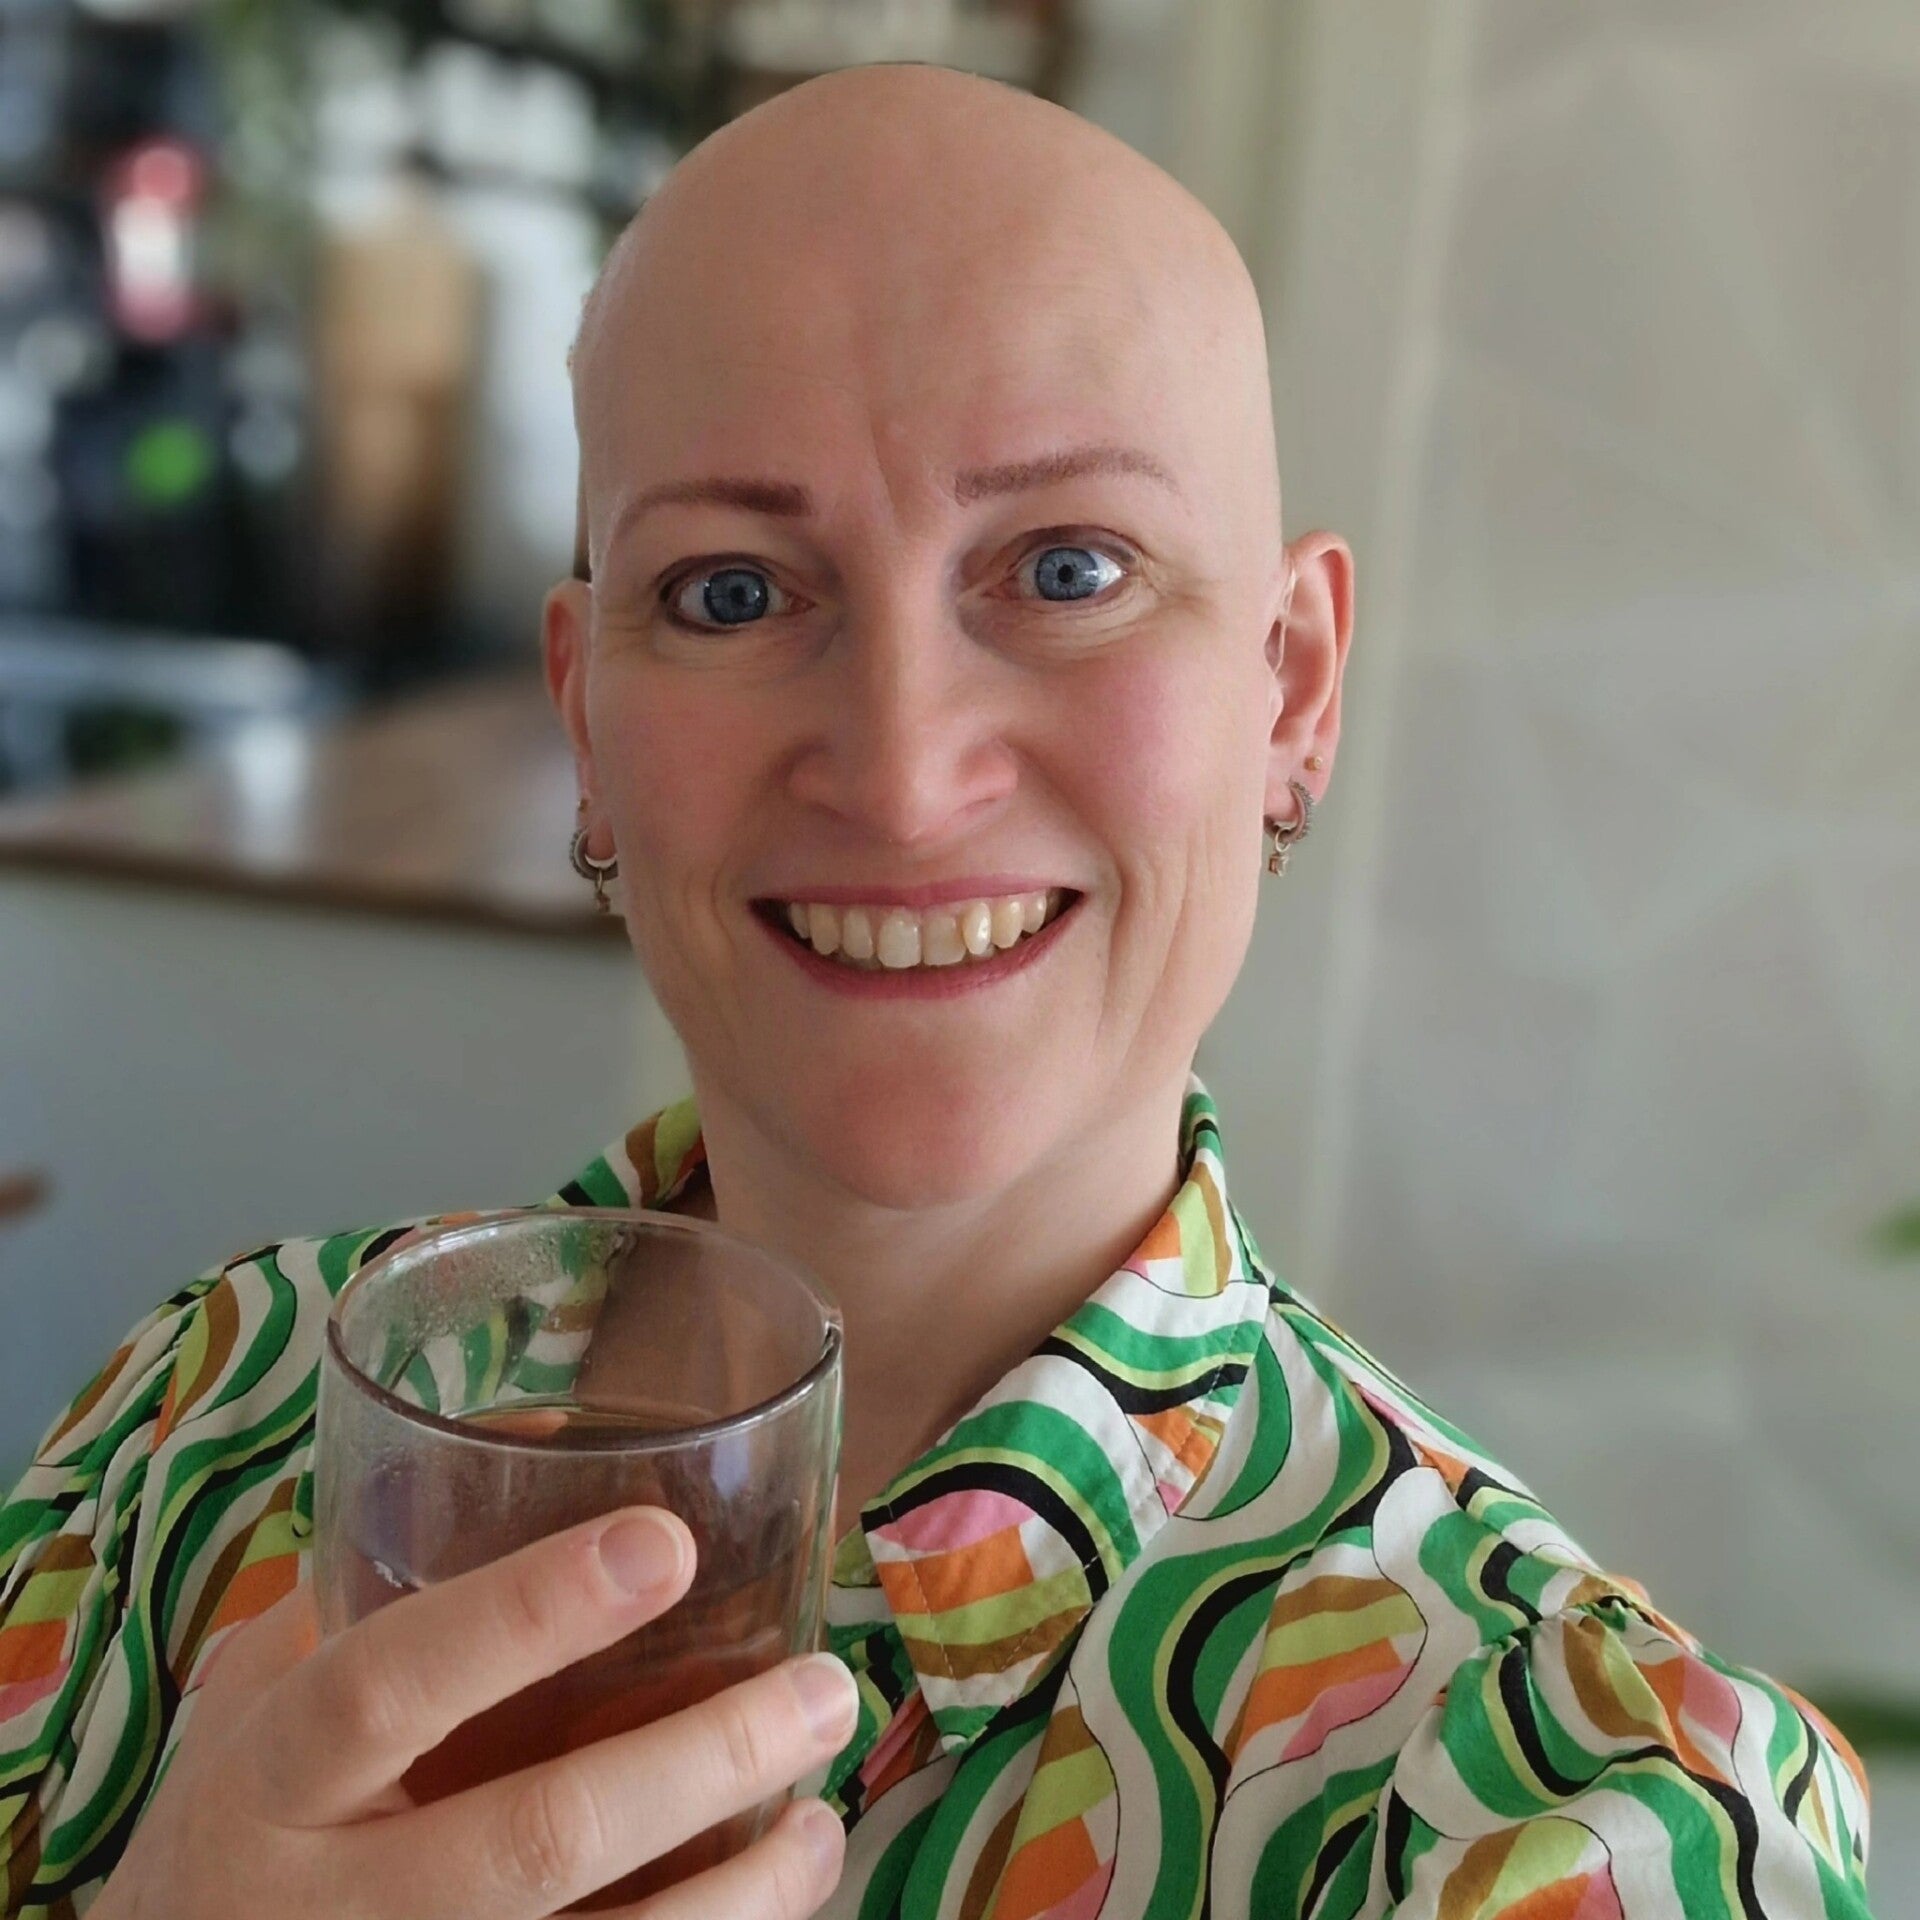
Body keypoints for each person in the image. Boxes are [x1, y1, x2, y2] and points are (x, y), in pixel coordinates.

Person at [0, 62, 1873, 1920]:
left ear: (1290, 689)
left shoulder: (1564, 1815)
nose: (900, 777)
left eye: (1068, 568)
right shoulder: (204, 1420)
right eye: (733, 593)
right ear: (587, 720)